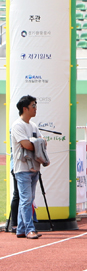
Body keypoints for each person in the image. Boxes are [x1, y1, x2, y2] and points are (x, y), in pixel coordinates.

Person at [12, 96, 42, 239]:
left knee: (28, 199)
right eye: (33, 105)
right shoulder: (18, 125)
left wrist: (36, 142)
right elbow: (27, 145)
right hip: (22, 168)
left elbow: (43, 142)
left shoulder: (33, 125)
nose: (36, 108)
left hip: (34, 167)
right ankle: (30, 229)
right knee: (26, 199)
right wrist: (37, 143)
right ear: (25, 108)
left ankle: (21, 229)